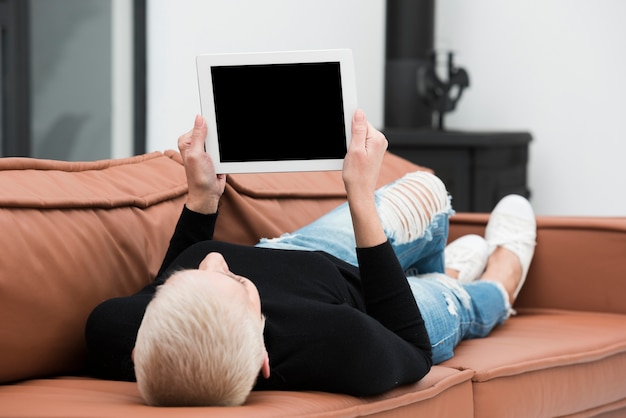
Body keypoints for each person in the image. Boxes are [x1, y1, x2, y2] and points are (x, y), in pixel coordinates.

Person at [85, 110, 536, 407]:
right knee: (455, 298)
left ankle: (441, 270)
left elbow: (186, 287)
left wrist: (204, 196)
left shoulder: (116, 329)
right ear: (263, 357)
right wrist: (360, 196)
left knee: (428, 189)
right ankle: (493, 280)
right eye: (237, 283)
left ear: (138, 347)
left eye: (185, 281)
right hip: (380, 312)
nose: (214, 261)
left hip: (301, 255)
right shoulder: (345, 345)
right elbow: (414, 350)